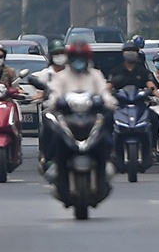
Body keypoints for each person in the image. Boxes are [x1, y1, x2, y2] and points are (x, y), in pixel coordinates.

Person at [41, 38, 116, 177]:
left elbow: (104, 92)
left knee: (108, 124)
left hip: (91, 117)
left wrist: (109, 101)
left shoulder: (95, 75)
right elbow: (55, 93)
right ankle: (51, 160)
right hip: (68, 118)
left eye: (81, 57)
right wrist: (51, 103)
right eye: (75, 57)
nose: (78, 61)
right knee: (51, 126)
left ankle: (108, 156)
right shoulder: (62, 76)